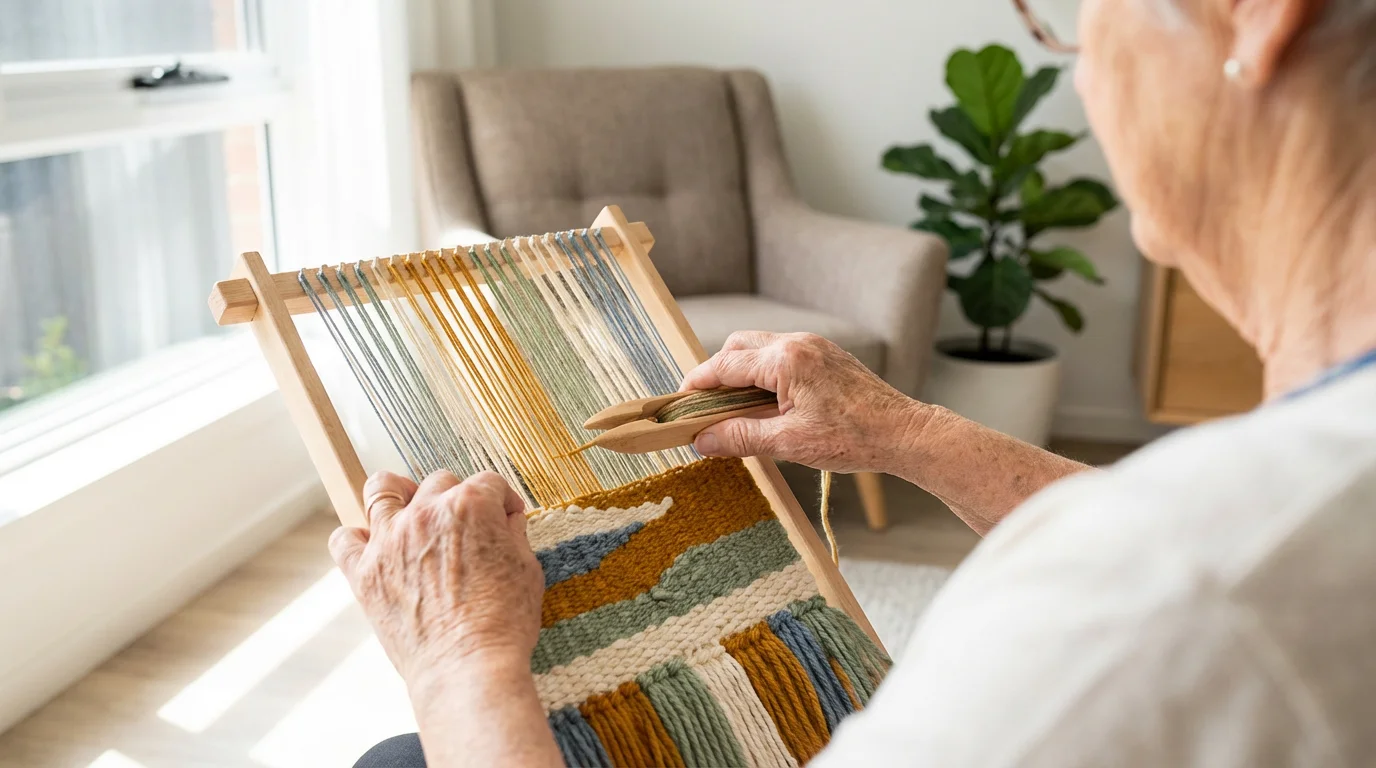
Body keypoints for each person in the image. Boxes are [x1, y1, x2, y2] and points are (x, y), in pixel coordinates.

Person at [342, 0, 1376, 763]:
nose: (1079, 66)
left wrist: (460, 661)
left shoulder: (1157, 602)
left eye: (1074, 14)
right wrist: (907, 430)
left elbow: (1188, 570)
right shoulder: (1281, 506)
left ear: (1249, 18)